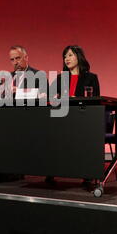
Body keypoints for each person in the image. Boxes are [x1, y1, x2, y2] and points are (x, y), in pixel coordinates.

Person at [47, 45, 101, 185]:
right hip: (64, 117)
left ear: (79, 56)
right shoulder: (60, 78)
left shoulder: (91, 78)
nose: (66, 59)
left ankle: (87, 171)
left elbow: (95, 101)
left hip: (83, 117)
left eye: (70, 55)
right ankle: (52, 169)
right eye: (65, 56)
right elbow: (48, 95)